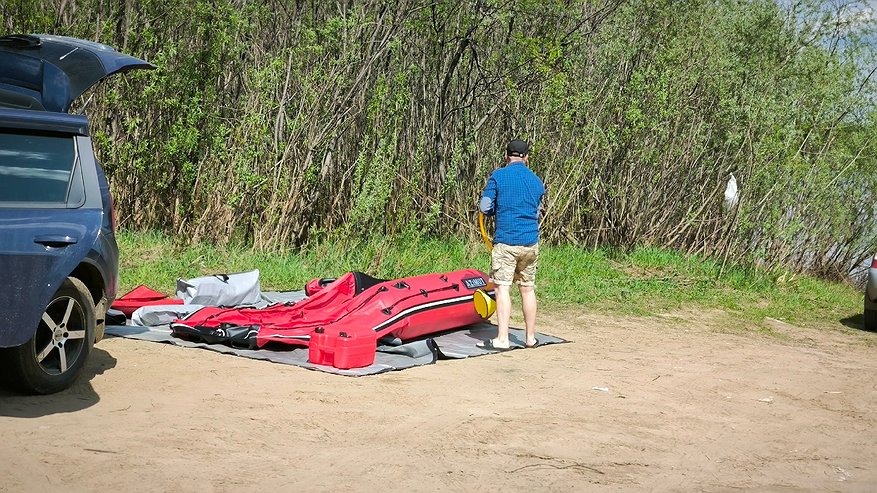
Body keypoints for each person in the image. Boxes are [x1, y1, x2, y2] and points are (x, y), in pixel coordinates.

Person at [477, 139, 545, 350]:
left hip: (506, 242)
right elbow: (536, 210)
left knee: (502, 288)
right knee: (527, 288)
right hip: (530, 243)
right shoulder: (536, 181)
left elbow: (485, 206)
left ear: (506, 156)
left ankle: (503, 339)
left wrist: (492, 211)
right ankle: (530, 338)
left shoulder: (499, 176)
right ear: (526, 158)